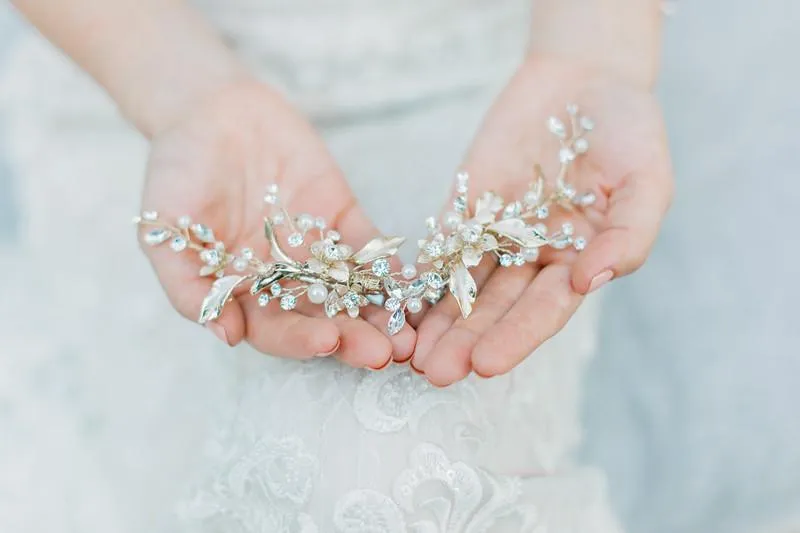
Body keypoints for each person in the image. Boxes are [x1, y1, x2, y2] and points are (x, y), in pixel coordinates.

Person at [1, 0, 672, 530]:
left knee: (388, 461)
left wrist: (594, 53)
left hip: (502, 110)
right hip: (140, 70)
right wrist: (183, 92)